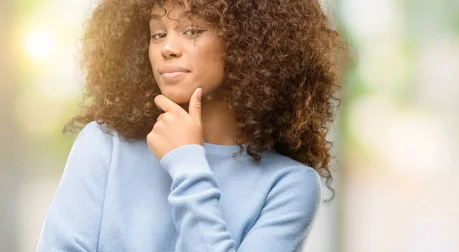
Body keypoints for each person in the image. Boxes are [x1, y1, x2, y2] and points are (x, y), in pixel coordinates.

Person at [36, 0, 345, 251]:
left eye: (192, 30)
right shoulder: (105, 145)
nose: (167, 47)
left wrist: (187, 165)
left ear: (248, 42)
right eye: (158, 33)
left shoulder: (290, 186)